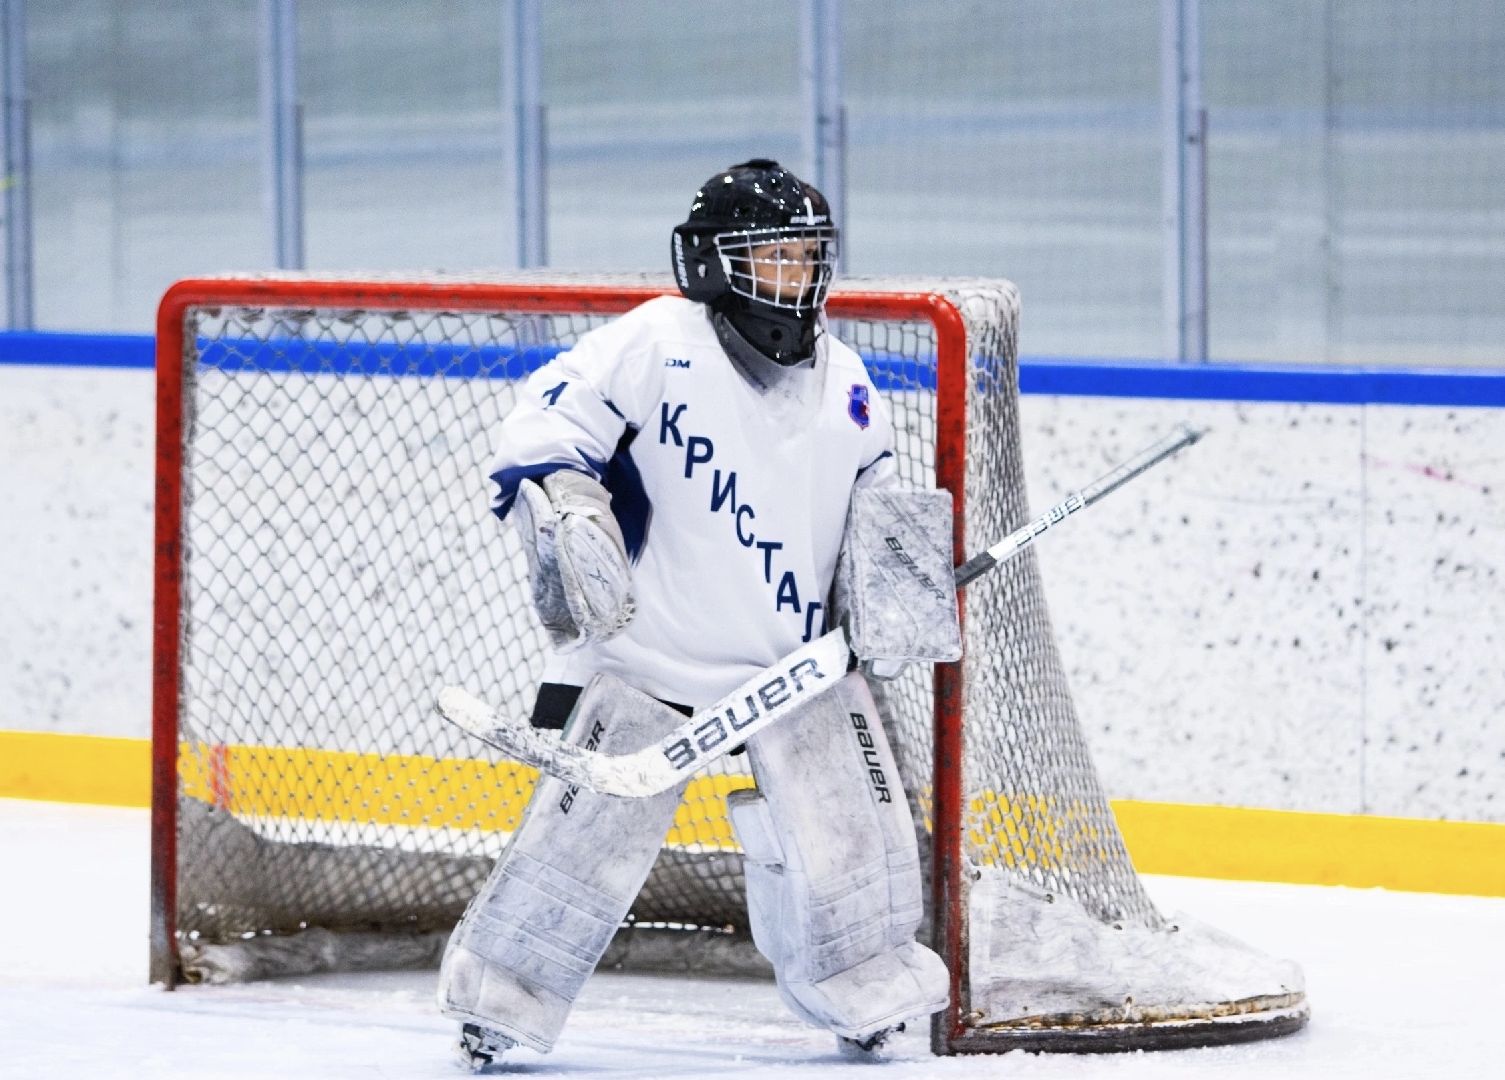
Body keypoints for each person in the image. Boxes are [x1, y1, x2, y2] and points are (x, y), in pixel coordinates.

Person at [437, 159, 953, 1070]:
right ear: (713, 263)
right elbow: (543, 429)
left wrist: (897, 580)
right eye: (774, 257)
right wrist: (566, 500)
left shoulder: (846, 377)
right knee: (575, 855)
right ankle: (501, 1003)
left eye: (807, 256)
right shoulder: (653, 342)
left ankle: (865, 996)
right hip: (650, 661)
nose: (797, 276)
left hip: (794, 670)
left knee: (852, 858)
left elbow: (872, 501)